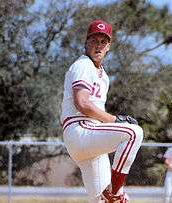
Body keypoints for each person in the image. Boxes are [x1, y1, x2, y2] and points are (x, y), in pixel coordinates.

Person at [61, 19, 143, 203]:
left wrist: (110, 122)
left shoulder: (103, 75)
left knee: (103, 202)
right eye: (94, 41)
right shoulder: (83, 65)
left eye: (103, 42)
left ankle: (112, 195)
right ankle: (113, 191)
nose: (98, 46)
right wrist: (115, 120)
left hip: (90, 141)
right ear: (86, 42)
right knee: (133, 132)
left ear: (108, 46)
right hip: (80, 129)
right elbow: (82, 103)